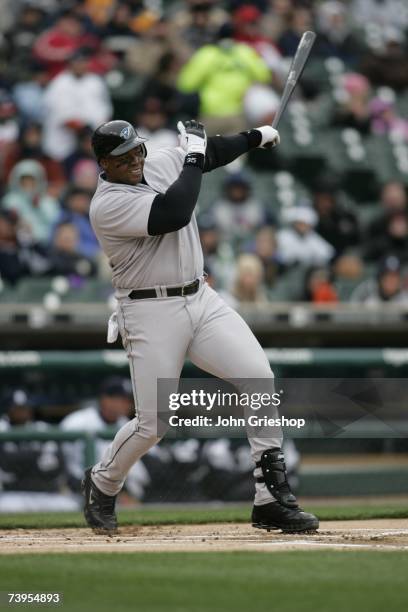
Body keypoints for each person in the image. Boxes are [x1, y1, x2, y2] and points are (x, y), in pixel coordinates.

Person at [83, 118, 319, 534]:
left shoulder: (153, 162)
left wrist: (254, 138)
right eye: (125, 157)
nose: (136, 159)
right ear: (106, 163)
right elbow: (174, 211)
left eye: (138, 149)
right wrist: (192, 153)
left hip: (200, 296)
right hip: (149, 309)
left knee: (259, 377)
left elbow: (208, 155)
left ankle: (270, 499)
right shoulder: (107, 204)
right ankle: (102, 482)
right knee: (154, 423)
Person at [60, 377, 148, 500]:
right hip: (78, 493)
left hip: (125, 492)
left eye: (129, 400)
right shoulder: (77, 422)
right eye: (121, 399)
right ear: (105, 399)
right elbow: (67, 464)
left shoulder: (129, 424)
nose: (127, 404)